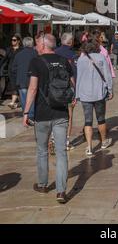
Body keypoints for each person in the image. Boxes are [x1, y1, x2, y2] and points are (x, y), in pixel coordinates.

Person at [23, 34, 75, 204]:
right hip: (61, 113)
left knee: (42, 151)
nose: (36, 46)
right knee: (61, 153)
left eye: (37, 43)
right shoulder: (63, 60)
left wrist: (26, 112)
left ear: (44, 45)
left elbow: (32, 88)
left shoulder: (36, 62)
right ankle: (61, 192)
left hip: (43, 115)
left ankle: (43, 184)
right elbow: (72, 83)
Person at [76, 38, 113, 156]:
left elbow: (79, 78)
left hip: (85, 94)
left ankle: (89, 147)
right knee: (101, 118)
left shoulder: (80, 60)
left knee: (88, 121)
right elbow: (107, 75)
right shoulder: (101, 58)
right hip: (99, 93)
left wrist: (77, 94)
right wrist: (110, 90)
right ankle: (103, 142)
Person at [55, 33, 78, 151]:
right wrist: (76, 91)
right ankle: (66, 141)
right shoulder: (72, 54)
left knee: (56, 114)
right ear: (70, 42)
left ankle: (55, 139)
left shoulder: (54, 52)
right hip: (68, 89)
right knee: (69, 115)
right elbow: (74, 73)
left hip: (54, 89)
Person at [12, 37, 37, 125]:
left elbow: (13, 69)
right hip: (32, 80)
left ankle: (26, 116)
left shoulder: (18, 54)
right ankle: (31, 117)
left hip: (21, 80)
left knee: (24, 99)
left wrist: (16, 78)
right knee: (32, 98)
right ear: (32, 44)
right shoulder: (35, 53)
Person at [0, 34, 23, 108]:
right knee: (14, 85)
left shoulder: (22, 50)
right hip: (11, 70)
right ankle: (14, 102)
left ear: (18, 41)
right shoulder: (9, 49)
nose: (12, 41)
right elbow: (4, 59)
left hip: (19, 70)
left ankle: (18, 101)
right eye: (12, 40)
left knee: (18, 85)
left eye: (14, 40)